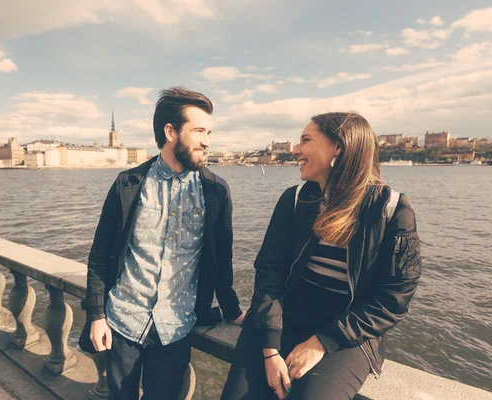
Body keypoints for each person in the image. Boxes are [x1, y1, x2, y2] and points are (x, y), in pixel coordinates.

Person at [221, 112, 421, 400]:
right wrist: (270, 349)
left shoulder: (391, 210)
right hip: (282, 318)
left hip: (346, 333)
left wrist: (321, 342)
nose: (295, 150)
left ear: (338, 149)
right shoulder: (293, 199)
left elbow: (394, 299)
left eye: (305, 140)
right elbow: (269, 274)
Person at [81, 86, 245, 400]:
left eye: (209, 132)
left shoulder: (216, 191)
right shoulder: (129, 184)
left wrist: (232, 309)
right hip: (123, 323)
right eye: (199, 131)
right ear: (170, 131)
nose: (207, 141)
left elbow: (222, 259)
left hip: (175, 330)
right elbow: (101, 254)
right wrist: (97, 315)